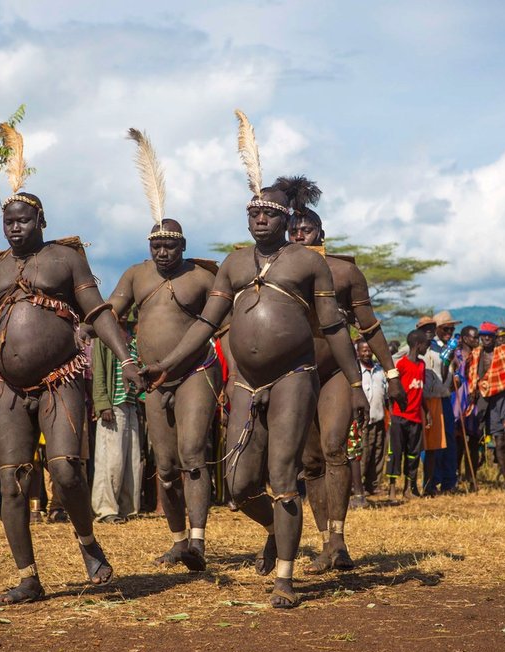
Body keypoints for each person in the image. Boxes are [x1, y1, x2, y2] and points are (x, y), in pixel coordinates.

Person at [140, 111, 368, 608]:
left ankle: (285, 578)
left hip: (294, 377)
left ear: (287, 220)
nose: (259, 219)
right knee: (240, 486)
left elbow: (332, 326)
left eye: (268, 214)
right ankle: (275, 531)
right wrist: (166, 365)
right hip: (245, 382)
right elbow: (205, 325)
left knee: (284, 476)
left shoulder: (309, 263)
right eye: (253, 214)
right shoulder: (235, 263)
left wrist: (356, 384)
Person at [0, 122, 144, 605]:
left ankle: (87, 544)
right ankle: (28, 576)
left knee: (65, 471)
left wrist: (125, 358)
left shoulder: (64, 259)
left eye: (23, 220)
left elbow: (98, 312)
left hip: (59, 380)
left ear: (40, 221)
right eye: (8, 221)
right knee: (11, 479)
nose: (14, 227)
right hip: (7, 389)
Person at [107, 129, 221, 570]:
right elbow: (112, 311)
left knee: (193, 455)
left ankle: (198, 540)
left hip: (197, 373)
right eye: (156, 244)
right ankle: (177, 540)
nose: (162, 250)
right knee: (167, 466)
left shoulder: (202, 278)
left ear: (184, 245)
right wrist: (90, 329)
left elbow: (223, 322)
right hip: (152, 378)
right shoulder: (136, 275)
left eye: (170, 244)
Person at [279, 175, 402, 574]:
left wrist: (392, 371)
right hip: (294, 375)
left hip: (335, 372)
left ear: (321, 232)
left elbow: (369, 327)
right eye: (293, 229)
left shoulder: (344, 274)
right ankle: (323, 541)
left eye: (307, 229)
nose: (299, 235)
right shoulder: (272, 272)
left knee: (334, 449)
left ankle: (338, 541)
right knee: (310, 462)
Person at [90, 313, 142, 525]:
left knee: (132, 460)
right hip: (113, 404)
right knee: (111, 460)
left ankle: (128, 508)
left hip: (131, 404)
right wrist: (102, 404)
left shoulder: (133, 337)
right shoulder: (104, 337)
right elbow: (99, 371)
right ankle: (106, 509)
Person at [468, 321, 505, 490]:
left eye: (489, 336)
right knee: (499, 440)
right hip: (488, 401)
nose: (486, 338)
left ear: (495, 338)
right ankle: (504, 473)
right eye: (483, 336)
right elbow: (472, 377)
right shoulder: (476, 355)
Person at [386, 329, 428, 501]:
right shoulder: (401, 365)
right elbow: (392, 391)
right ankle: (392, 489)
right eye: (426, 343)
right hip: (399, 416)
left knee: (413, 455)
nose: (427, 346)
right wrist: (392, 414)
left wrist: (427, 411)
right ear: (418, 345)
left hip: (415, 418)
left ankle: (409, 489)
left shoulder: (422, 365)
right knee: (395, 453)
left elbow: (421, 390)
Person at [422, 311, 460, 495]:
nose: (449, 332)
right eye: (446, 328)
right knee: (434, 442)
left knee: (449, 441)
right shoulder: (428, 347)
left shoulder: (449, 347)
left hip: (446, 397)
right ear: (436, 329)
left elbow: (450, 372)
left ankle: (449, 481)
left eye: (452, 329)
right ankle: (431, 481)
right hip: (430, 399)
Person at [357, 339, 388, 495]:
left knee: (378, 452)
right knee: (363, 453)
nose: (367, 353)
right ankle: (358, 487)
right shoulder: (357, 372)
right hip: (362, 422)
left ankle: (373, 485)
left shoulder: (379, 371)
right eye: (363, 350)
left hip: (379, 419)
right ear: (358, 352)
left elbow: (386, 394)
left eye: (369, 350)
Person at [453, 325, 481, 491]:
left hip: (474, 402)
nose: (476, 340)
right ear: (464, 338)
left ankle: (472, 478)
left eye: (477, 337)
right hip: (458, 401)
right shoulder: (456, 355)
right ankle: (456, 476)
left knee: (474, 442)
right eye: (473, 338)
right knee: (458, 442)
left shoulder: (478, 355)